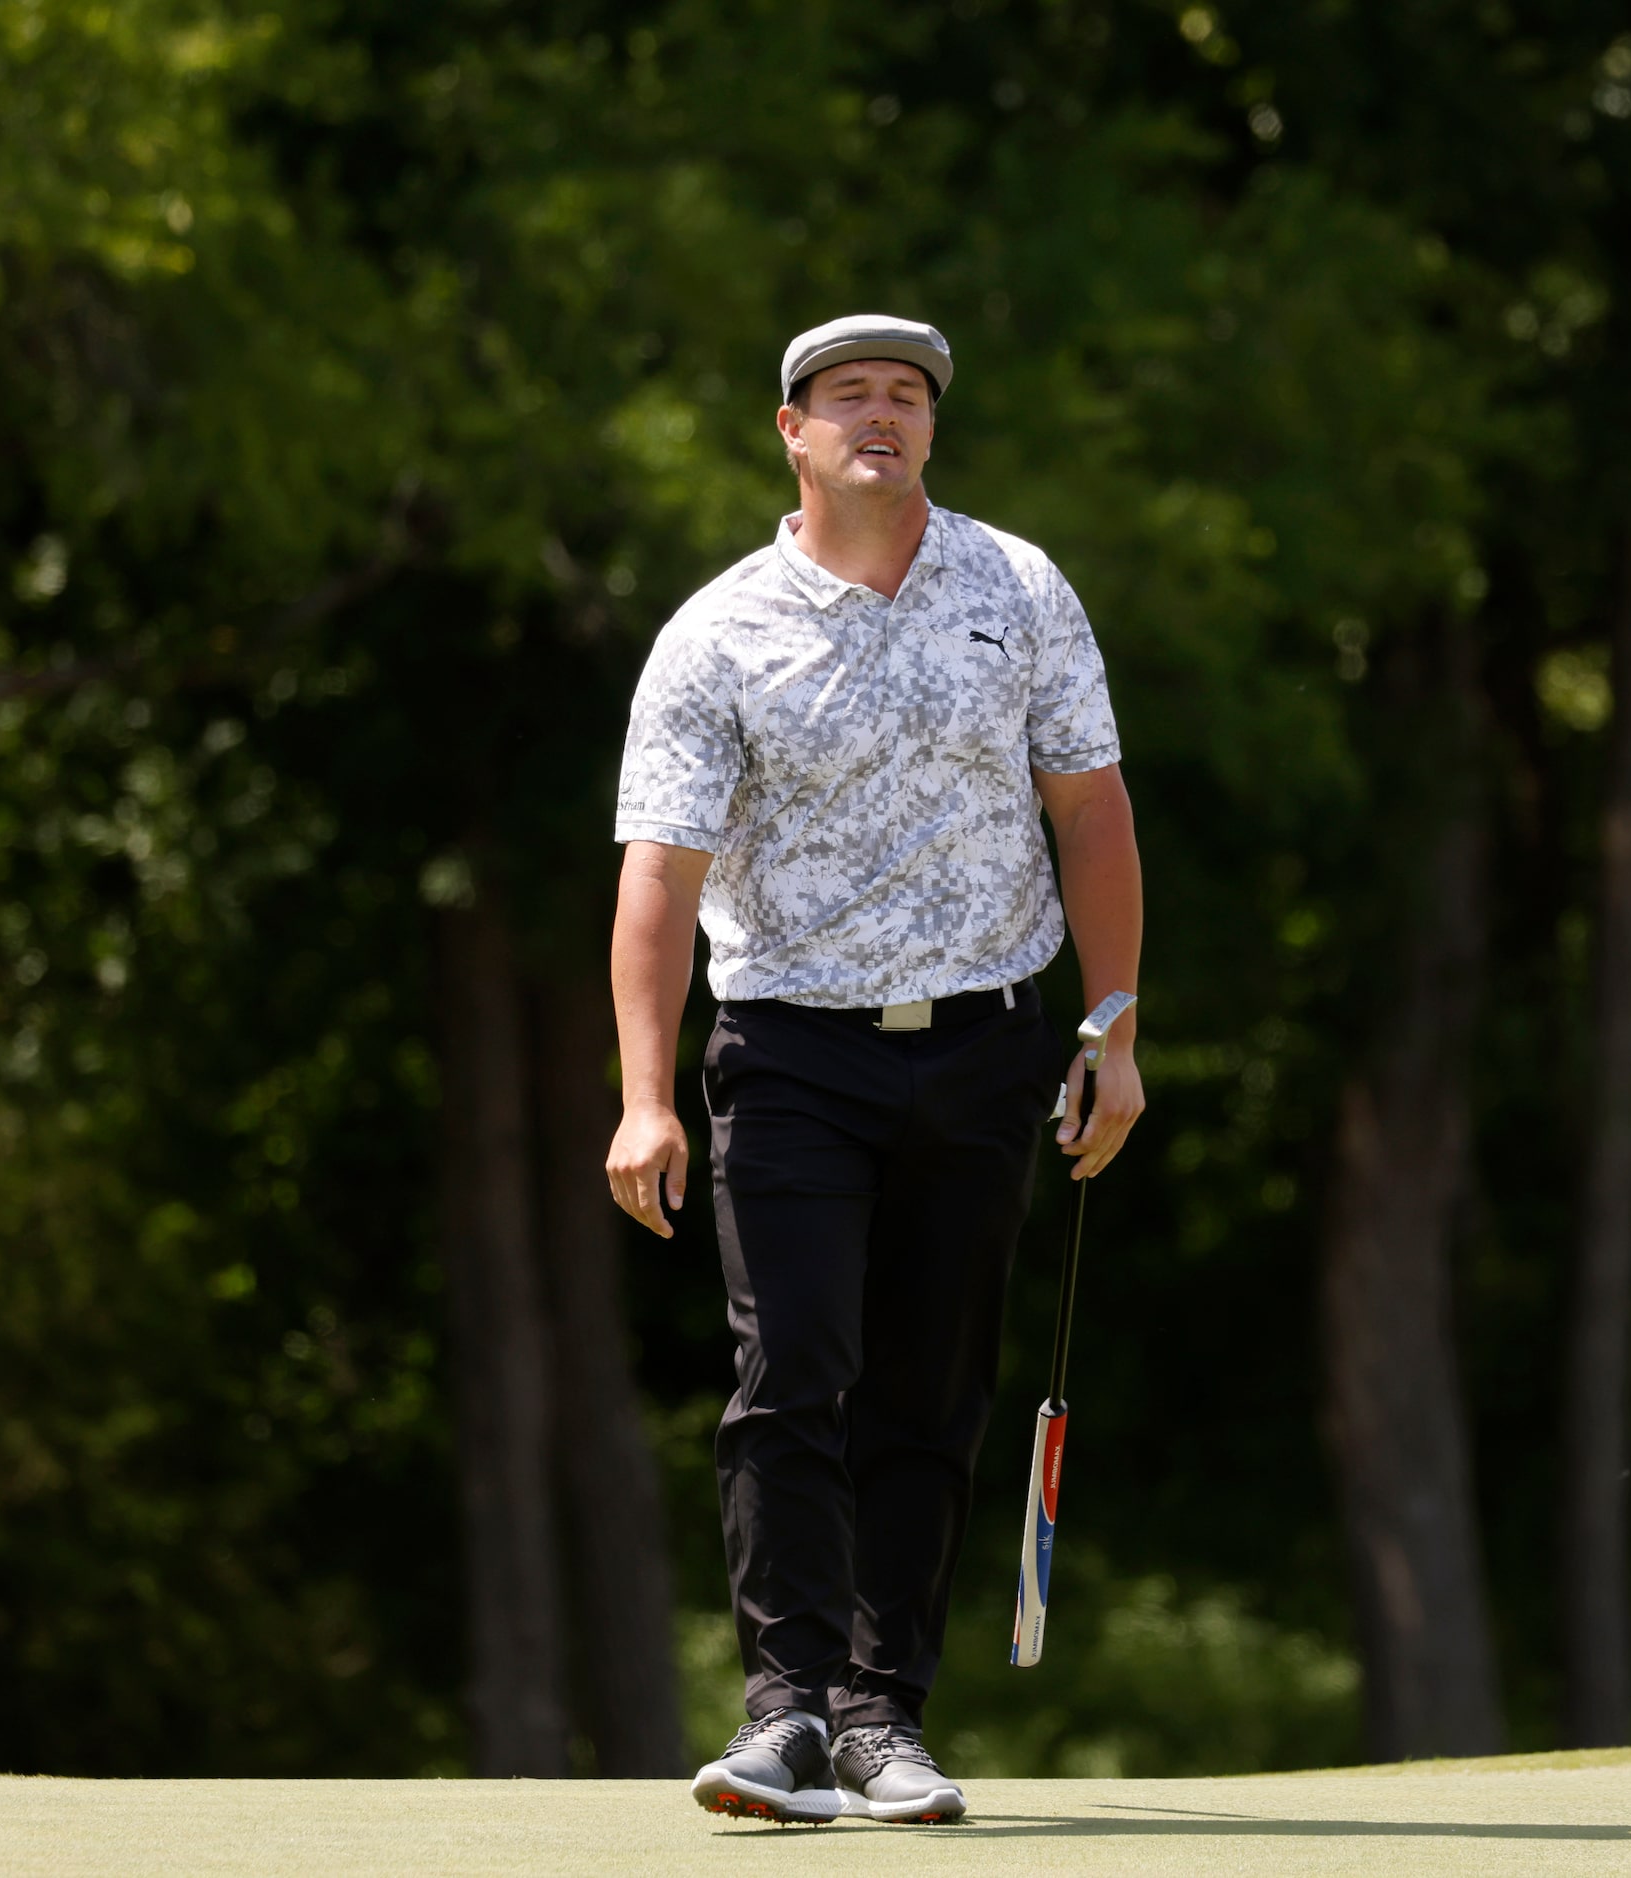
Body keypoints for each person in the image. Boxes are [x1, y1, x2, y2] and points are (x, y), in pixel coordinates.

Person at [605, 314, 1144, 1825]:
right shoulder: (719, 633)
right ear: (791, 430)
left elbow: (1091, 815)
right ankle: (782, 1713)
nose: (883, 417)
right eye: (850, 396)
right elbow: (658, 877)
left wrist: (1113, 1027)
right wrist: (646, 1093)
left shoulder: (1018, 588)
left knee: (933, 1387)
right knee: (794, 1374)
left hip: (983, 1043)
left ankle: (882, 1717)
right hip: (788, 1049)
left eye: (908, 396)